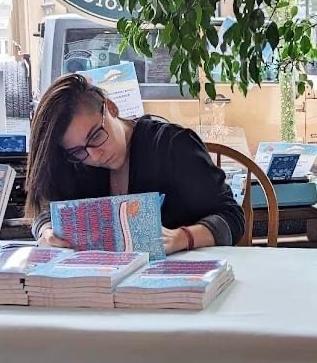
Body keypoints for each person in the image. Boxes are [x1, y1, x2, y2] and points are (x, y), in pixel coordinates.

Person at [25, 74, 245, 254]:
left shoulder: (172, 146)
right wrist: (46, 231)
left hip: (180, 280)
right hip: (102, 285)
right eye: (78, 151)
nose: (95, 156)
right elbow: (45, 209)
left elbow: (232, 217)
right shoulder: (76, 163)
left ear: (111, 108)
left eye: (96, 136)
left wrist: (183, 237)